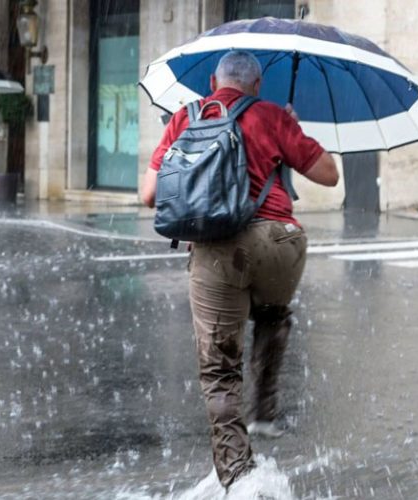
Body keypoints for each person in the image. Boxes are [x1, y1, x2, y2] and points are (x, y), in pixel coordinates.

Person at [141, 50, 339, 489]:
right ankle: (265, 410)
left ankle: (239, 478)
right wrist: (290, 129)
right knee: (271, 311)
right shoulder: (272, 116)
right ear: (256, 85)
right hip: (281, 241)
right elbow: (330, 174)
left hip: (217, 250)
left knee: (219, 370)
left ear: (213, 81)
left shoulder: (184, 118)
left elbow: (149, 195)